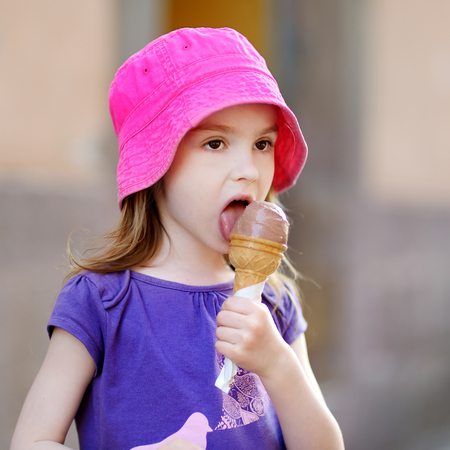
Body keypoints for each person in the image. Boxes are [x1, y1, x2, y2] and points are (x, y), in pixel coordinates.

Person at [10, 27, 344, 450]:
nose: (248, 169)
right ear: (157, 162)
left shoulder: (273, 305)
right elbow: (32, 441)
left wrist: (278, 365)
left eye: (262, 143)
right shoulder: (102, 302)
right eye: (216, 142)